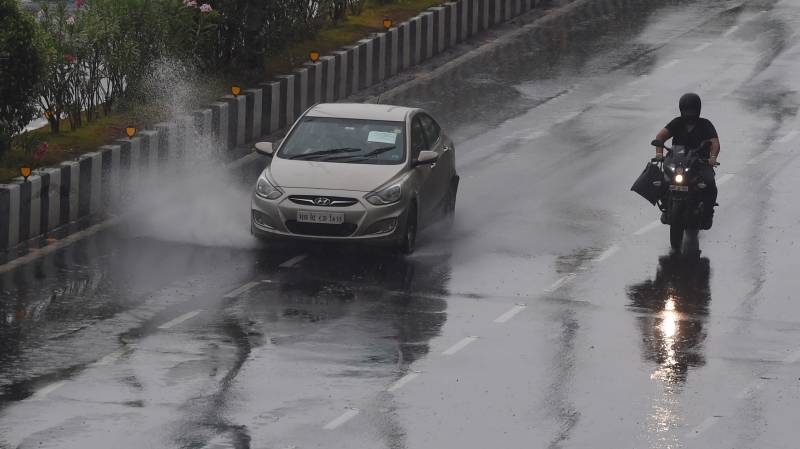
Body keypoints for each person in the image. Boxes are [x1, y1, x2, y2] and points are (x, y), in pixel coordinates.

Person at [653, 93, 721, 228]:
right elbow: (660, 137)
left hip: (699, 163)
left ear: (698, 110)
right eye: (687, 110)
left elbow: (715, 143)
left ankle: (708, 213)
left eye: (693, 111)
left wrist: (712, 158)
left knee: (710, 183)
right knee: (661, 180)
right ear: (681, 110)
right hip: (676, 161)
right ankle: (666, 207)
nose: (690, 114)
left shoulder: (705, 124)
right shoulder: (676, 122)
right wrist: (659, 153)